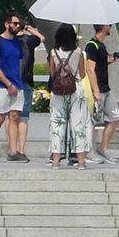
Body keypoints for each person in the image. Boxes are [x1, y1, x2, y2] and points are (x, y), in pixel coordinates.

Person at [0, 14, 26, 162]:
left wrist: (17, 84)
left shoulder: (17, 43)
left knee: (14, 116)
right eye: (14, 23)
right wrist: (8, 84)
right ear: (6, 23)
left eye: (19, 24)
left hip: (17, 84)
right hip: (1, 85)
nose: (17, 26)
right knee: (0, 117)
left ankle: (13, 152)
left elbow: (18, 63)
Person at [48, 23, 90, 170]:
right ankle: (81, 161)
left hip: (58, 90)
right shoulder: (78, 52)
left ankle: (56, 161)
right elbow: (83, 74)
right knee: (78, 125)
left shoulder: (53, 52)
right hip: (76, 89)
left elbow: (52, 73)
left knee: (57, 123)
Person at [85, 23, 119, 164]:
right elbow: (90, 69)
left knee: (115, 118)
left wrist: (111, 60)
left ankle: (103, 149)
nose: (111, 27)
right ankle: (90, 152)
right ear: (103, 27)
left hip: (106, 88)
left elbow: (100, 64)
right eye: (109, 25)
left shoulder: (101, 45)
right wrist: (95, 90)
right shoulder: (91, 45)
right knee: (93, 121)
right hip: (98, 89)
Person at [16, 20, 45, 159]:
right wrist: (30, 28)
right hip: (27, 80)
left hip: (11, 82)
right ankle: (21, 149)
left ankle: (12, 148)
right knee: (23, 117)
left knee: (11, 117)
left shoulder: (10, 41)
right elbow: (42, 38)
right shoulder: (30, 40)